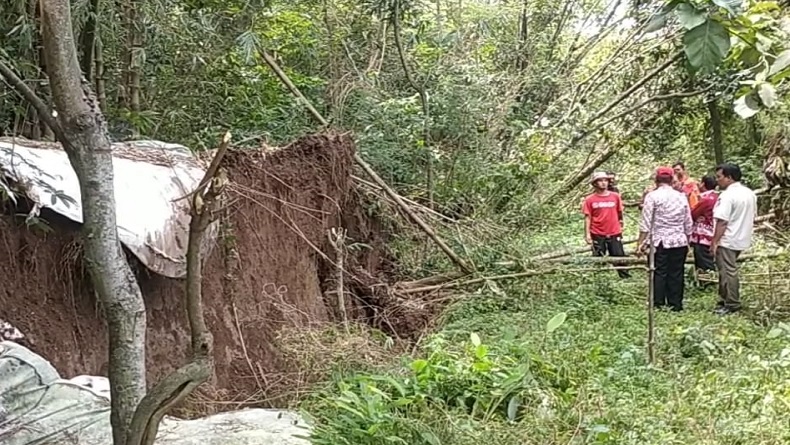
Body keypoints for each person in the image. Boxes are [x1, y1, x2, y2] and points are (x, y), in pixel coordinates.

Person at [638, 166, 693, 311]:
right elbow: (688, 222)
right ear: (671, 179)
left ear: (656, 179)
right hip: (679, 240)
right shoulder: (681, 196)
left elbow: (646, 223)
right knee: (677, 272)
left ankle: (658, 303)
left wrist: (640, 242)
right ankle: (675, 304)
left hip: (659, 241)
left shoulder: (652, 196)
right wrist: (688, 240)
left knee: (659, 271)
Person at [711, 163, 757, 315]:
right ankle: (724, 298)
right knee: (726, 269)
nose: (717, 180)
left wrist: (715, 241)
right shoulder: (749, 193)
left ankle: (732, 303)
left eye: (719, 177)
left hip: (728, 238)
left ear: (729, 178)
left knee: (728, 271)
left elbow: (722, 221)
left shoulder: (727, 195)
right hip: (742, 236)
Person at [582, 171, 630, 279]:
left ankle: (624, 276)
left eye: (605, 180)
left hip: (614, 231)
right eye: (600, 181)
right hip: (597, 232)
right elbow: (587, 217)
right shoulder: (589, 199)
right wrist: (587, 234)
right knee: (599, 256)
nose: (603, 183)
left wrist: (621, 223)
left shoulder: (615, 196)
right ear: (595, 183)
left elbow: (619, 212)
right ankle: (600, 278)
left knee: (619, 256)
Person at [689, 175, 719, 282]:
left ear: (703, 184)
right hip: (713, 232)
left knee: (703, 260)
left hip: (703, 235)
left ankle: (707, 282)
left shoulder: (706, 199)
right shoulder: (717, 197)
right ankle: (707, 281)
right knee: (707, 259)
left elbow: (693, 214)